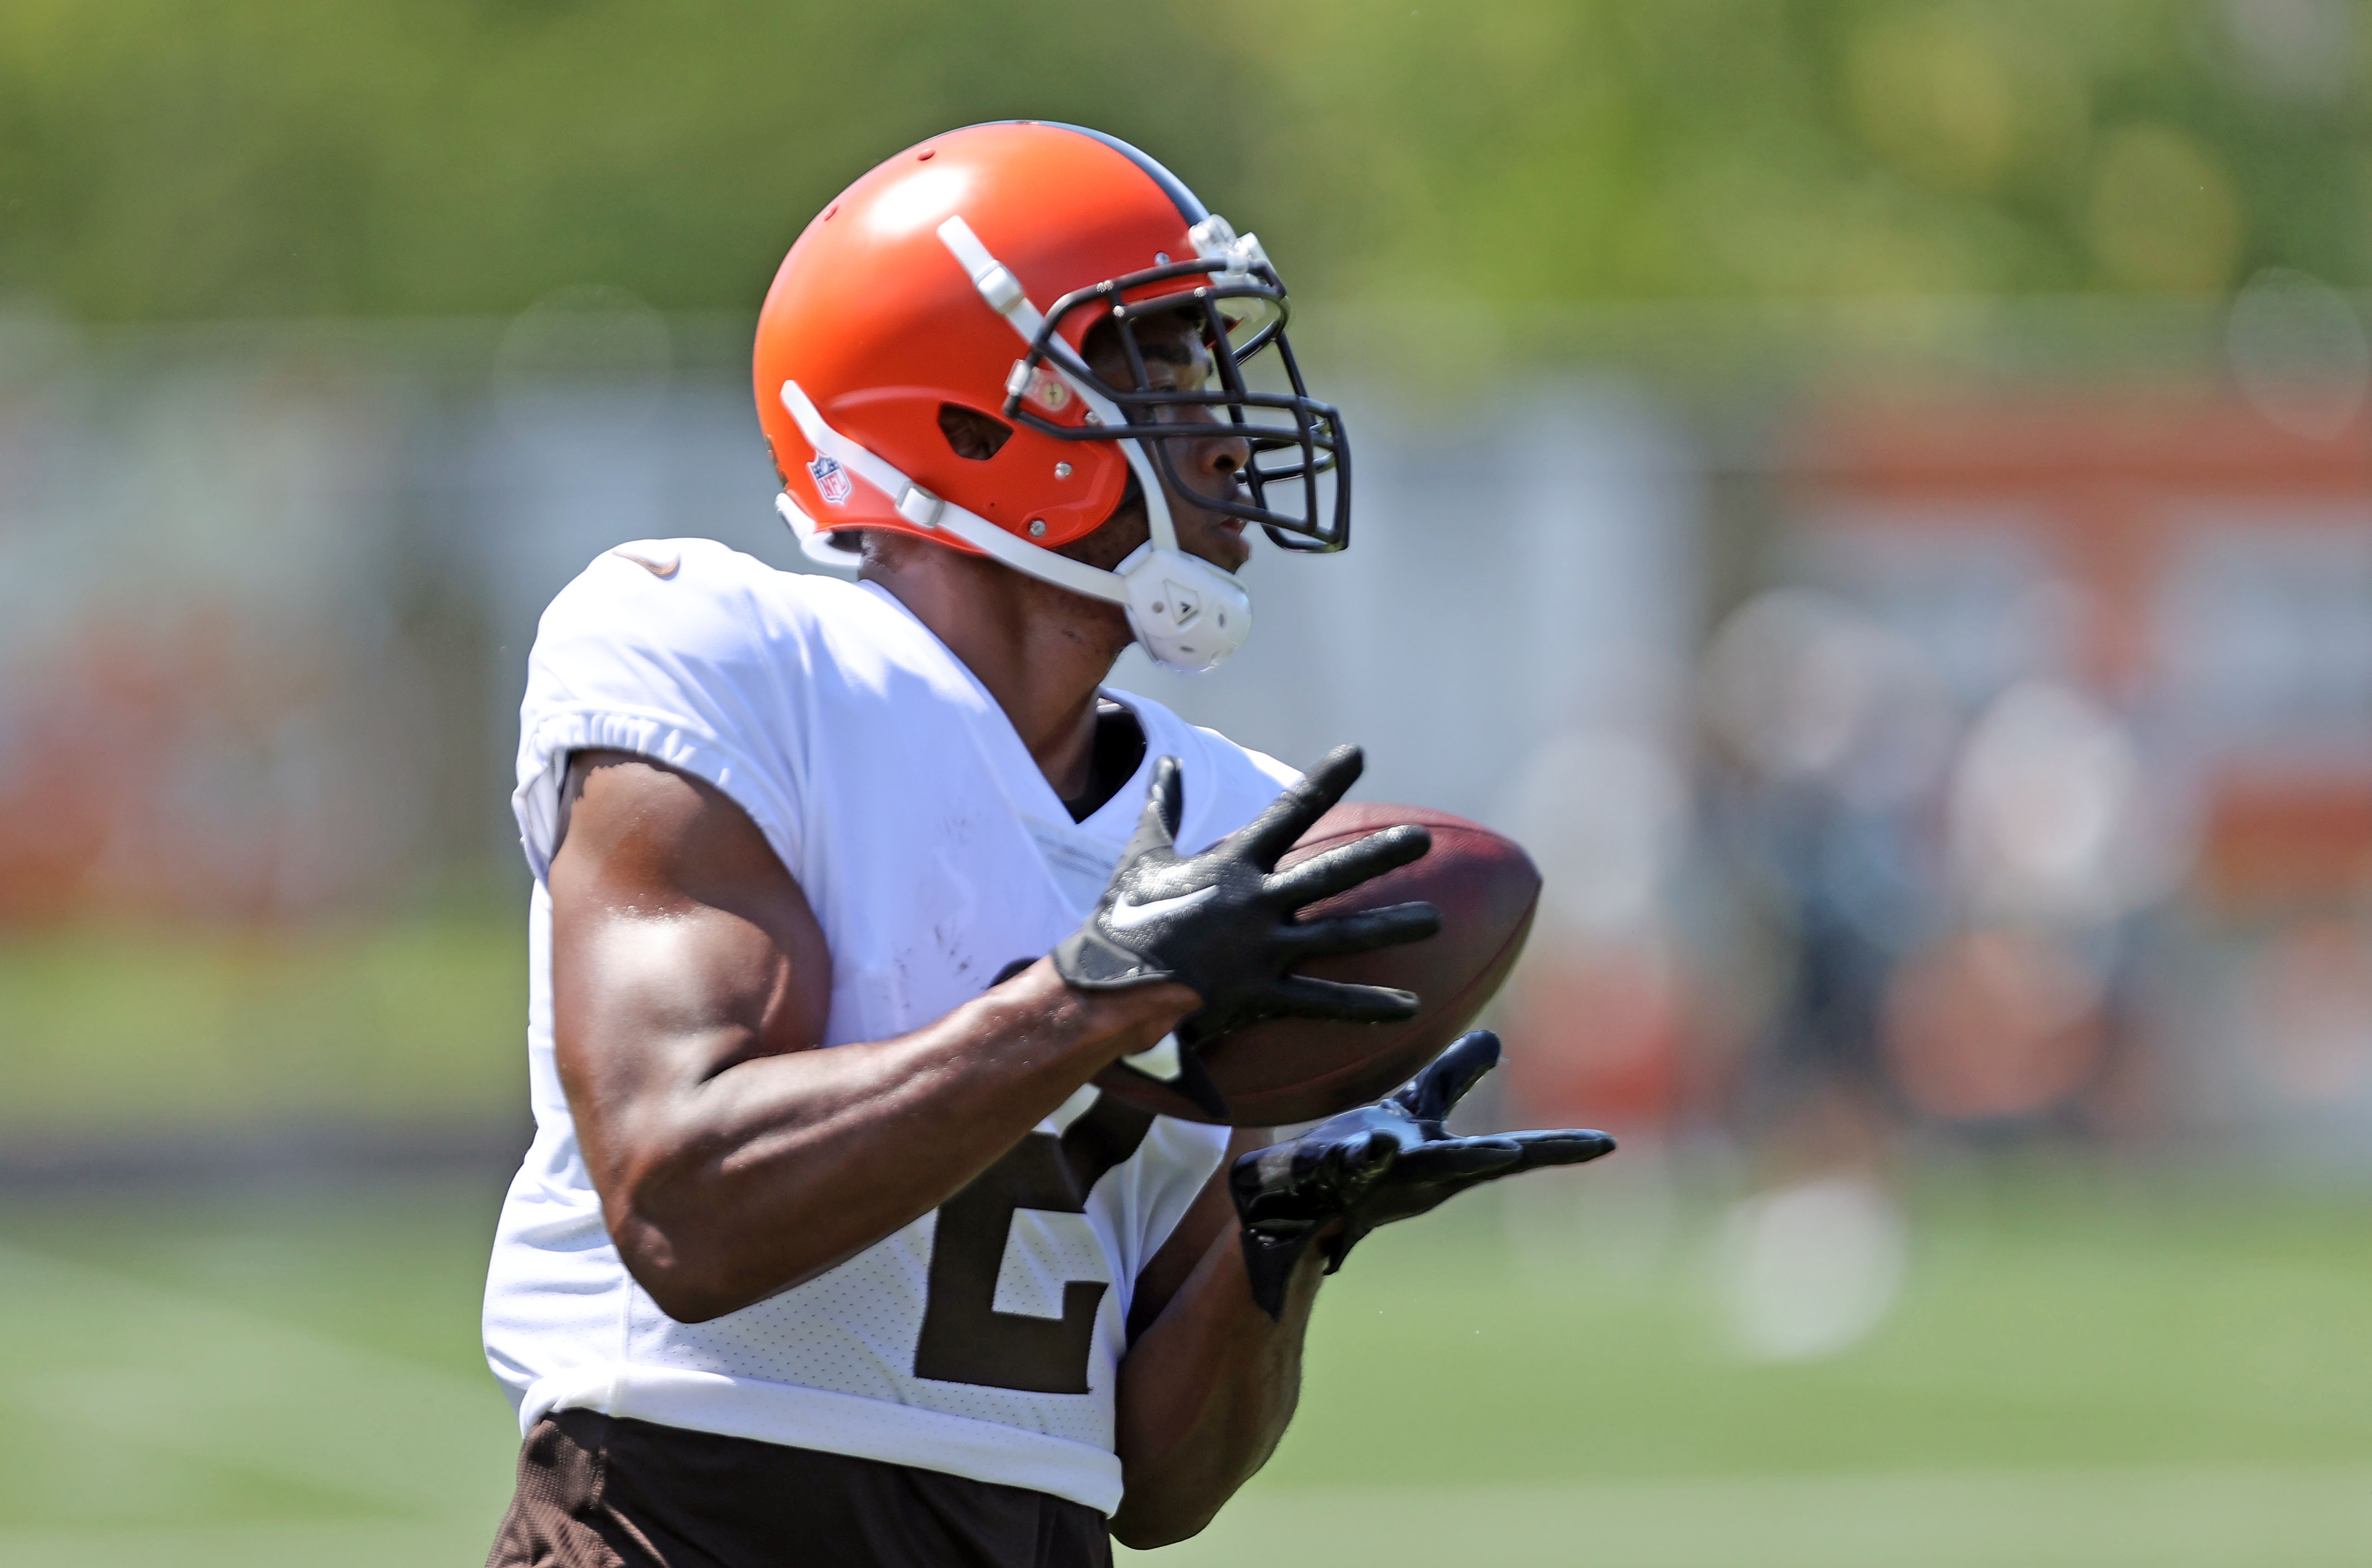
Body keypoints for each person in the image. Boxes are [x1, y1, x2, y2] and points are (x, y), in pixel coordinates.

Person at [482, 121, 1610, 1568]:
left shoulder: (1227, 812)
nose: (1218, 418)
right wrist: (1096, 997)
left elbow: (1156, 1485)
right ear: (963, 420)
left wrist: (1283, 1241)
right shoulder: (722, 652)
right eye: (1156, 360)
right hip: (691, 1521)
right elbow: (683, 1206)